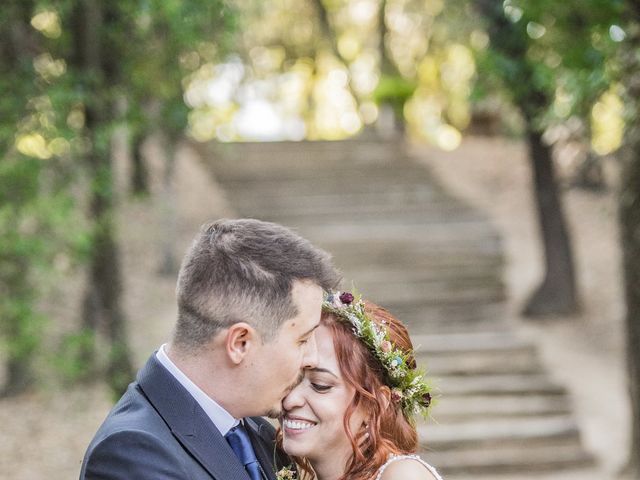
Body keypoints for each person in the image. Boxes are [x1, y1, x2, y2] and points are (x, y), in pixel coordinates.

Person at [80, 218, 340, 480]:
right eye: (302, 340)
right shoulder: (132, 454)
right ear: (240, 343)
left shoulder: (257, 433)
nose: (312, 358)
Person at [279, 291, 442, 480]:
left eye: (320, 385)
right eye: (290, 378)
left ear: (375, 403)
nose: (290, 400)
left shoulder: (402, 475)